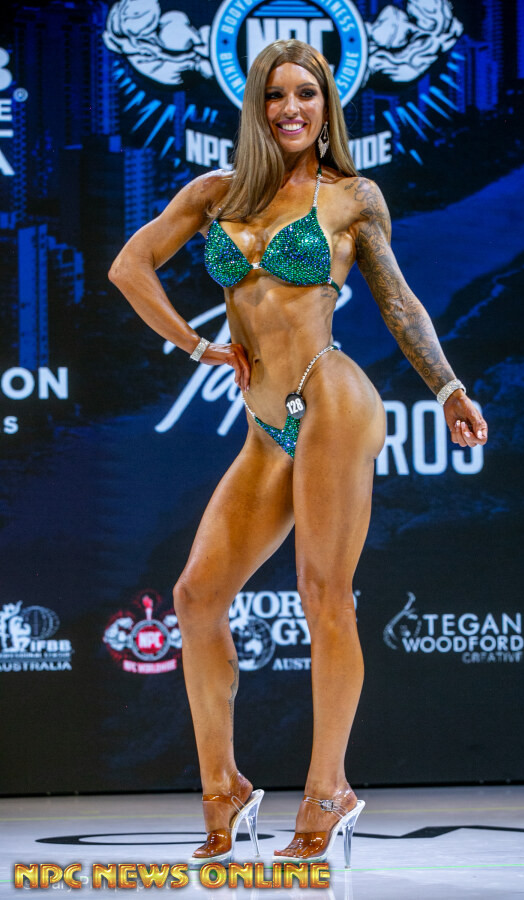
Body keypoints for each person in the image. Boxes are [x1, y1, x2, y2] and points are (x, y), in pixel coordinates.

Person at [108, 39, 488, 867]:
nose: (291, 108)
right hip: (264, 422)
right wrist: (197, 347)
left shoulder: (351, 197)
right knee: (196, 597)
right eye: (277, 94)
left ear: (326, 106)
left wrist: (449, 388)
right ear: (257, 105)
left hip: (331, 398)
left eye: (307, 94)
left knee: (324, 595)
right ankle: (223, 788)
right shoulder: (214, 195)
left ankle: (328, 791)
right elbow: (129, 267)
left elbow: (400, 304)